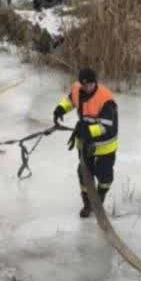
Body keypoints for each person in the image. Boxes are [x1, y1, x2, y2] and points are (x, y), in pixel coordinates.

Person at [53, 66, 119, 218]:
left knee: (105, 176)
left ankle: (100, 198)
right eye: (84, 84)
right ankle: (88, 204)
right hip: (84, 143)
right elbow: (70, 100)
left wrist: (88, 131)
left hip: (105, 146)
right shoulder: (78, 89)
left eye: (90, 84)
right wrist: (60, 109)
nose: (86, 87)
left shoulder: (106, 100)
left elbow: (106, 128)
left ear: (95, 82)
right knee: (83, 174)